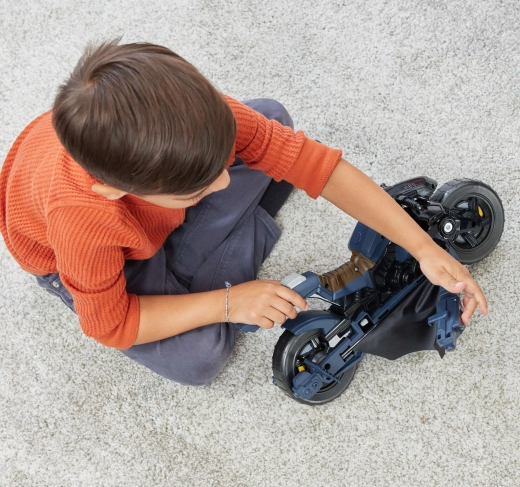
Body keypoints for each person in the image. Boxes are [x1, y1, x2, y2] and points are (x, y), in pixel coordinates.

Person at [0, 40, 488, 386]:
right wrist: (229, 304)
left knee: (273, 119)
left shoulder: (195, 118)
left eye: (220, 165)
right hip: (106, 261)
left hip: (146, 212)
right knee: (202, 357)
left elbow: (315, 165)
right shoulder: (82, 220)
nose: (224, 182)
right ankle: (206, 274)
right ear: (113, 189)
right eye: (198, 189)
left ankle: (207, 260)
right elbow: (110, 325)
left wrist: (422, 247)